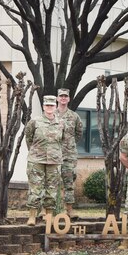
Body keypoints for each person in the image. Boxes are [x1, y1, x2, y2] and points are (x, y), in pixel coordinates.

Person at [24, 96, 66, 226]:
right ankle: (32, 216)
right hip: (36, 160)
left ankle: (49, 216)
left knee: (52, 189)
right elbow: (28, 138)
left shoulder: (61, 123)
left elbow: (63, 140)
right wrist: (35, 152)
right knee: (35, 189)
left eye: (52, 105)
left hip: (54, 161)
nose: (49, 108)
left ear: (55, 107)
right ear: (43, 106)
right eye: (47, 105)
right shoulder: (34, 122)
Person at [56, 88, 84, 217]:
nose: (63, 98)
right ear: (57, 98)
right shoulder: (51, 114)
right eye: (61, 96)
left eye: (65, 96)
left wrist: (69, 144)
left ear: (68, 99)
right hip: (53, 155)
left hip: (68, 156)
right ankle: (49, 211)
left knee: (69, 183)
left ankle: (69, 210)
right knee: (50, 183)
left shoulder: (74, 116)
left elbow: (79, 134)